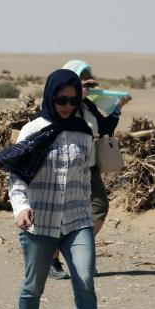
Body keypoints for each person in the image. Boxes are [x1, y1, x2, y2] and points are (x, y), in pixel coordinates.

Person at [0, 68, 109, 309]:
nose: (67, 106)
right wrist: (21, 208)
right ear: (49, 97)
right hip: (39, 222)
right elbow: (17, 177)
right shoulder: (33, 130)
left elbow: (87, 176)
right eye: (61, 100)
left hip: (77, 220)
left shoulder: (84, 132)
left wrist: (90, 208)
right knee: (33, 285)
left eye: (73, 100)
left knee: (84, 279)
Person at [47, 59, 131, 279]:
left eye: (87, 83)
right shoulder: (60, 104)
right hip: (64, 168)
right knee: (61, 214)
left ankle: (76, 249)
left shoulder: (88, 106)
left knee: (98, 207)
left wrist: (118, 109)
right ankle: (52, 261)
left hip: (89, 167)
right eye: (81, 82)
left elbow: (104, 128)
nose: (86, 87)